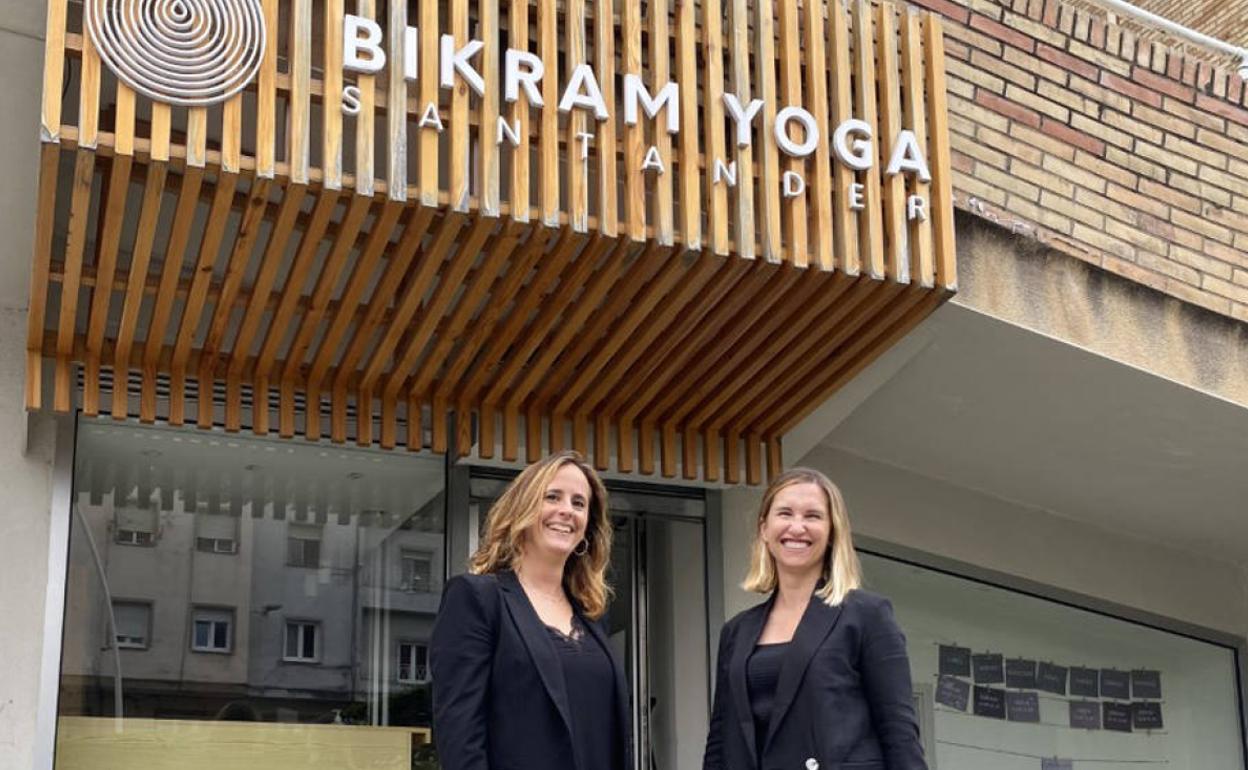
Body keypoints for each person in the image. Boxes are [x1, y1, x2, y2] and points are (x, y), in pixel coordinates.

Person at [703, 468, 927, 770]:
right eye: (785, 513)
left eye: (812, 516)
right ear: (764, 529)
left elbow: (899, 734)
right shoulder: (736, 631)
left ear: (833, 531)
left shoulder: (866, 615)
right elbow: (720, 741)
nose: (797, 527)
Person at [430, 450, 629, 770]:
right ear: (522, 509)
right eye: (553, 497)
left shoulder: (592, 616)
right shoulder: (477, 598)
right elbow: (460, 736)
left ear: (587, 527)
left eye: (579, 503)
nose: (567, 511)